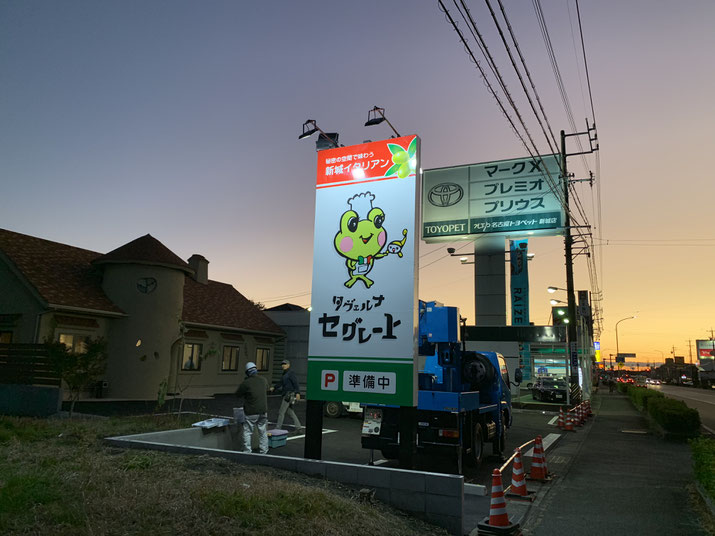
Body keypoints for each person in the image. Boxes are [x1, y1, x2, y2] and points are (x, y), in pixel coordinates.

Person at [235, 361, 269, 454]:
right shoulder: (264, 380)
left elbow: (238, 394)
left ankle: (247, 451)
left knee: (247, 431)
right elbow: (267, 388)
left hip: (251, 411)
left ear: (247, 372)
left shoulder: (246, 383)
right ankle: (264, 451)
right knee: (262, 432)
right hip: (263, 411)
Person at [269, 359, 303, 432]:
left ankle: (278, 428)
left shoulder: (290, 373)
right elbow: (281, 382)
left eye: (285, 364)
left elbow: (295, 383)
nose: (283, 365)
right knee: (290, 411)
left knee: (281, 412)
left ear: (288, 365)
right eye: (282, 364)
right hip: (287, 394)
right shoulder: (284, 373)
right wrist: (274, 387)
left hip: (288, 395)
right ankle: (298, 427)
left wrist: (298, 393)